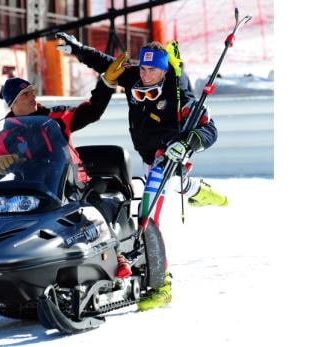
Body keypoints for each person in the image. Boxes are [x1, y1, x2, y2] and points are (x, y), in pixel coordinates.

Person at [56, 32, 229, 311]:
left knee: (147, 218)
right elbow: (104, 62)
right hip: (149, 157)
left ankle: (161, 286)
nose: (145, 74)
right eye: (143, 67)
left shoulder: (178, 94)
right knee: (174, 185)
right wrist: (78, 49)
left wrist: (186, 144)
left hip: (167, 157)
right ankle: (197, 190)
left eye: (152, 70)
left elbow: (210, 129)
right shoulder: (134, 77)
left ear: (164, 70)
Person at [0, 52, 128, 187]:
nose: (33, 96)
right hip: (32, 193)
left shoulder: (56, 118)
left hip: (72, 187)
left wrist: (106, 83)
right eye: (25, 94)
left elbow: (92, 111)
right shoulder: (5, 137)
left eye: (32, 92)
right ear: (13, 103)